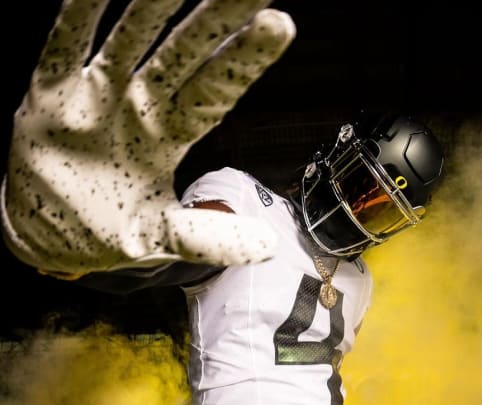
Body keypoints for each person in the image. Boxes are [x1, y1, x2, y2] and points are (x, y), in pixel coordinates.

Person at [2, 1, 445, 404]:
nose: (358, 209)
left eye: (381, 209)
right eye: (359, 185)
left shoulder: (361, 279)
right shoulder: (243, 198)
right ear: (336, 153)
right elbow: (184, 251)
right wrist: (92, 241)